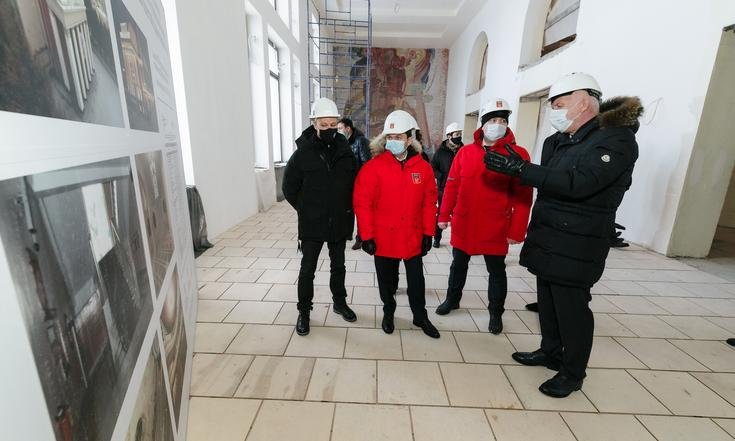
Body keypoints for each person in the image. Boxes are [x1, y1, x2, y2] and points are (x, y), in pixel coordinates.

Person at [485, 73, 643, 398]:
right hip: (550, 233)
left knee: (572, 309)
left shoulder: (615, 139)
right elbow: (552, 181)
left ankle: (572, 373)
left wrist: (521, 170)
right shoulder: (559, 139)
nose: (554, 112)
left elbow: (580, 183)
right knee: (547, 300)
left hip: (579, 239)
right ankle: (550, 351)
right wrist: (524, 171)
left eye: (559, 105)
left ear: (582, 102)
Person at [435, 99, 533, 335]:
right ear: (483, 124)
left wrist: (517, 231)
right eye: (493, 120)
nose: (498, 125)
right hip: (465, 222)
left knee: (496, 271)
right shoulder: (465, 153)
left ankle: (496, 312)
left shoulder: (517, 154)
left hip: (495, 226)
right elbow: (452, 186)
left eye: (502, 121)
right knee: (458, 265)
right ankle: (452, 300)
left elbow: (523, 197)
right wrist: (443, 214)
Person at [353, 109, 440, 338]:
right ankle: (388, 311)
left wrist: (428, 233)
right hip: (384, 237)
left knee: (416, 280)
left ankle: (420, 316)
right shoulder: (373, 168)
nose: (393, 141)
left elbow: (429, 202)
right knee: (387, 280)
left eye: (398, 137)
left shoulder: (423, 168)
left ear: (410, 139)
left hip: (412, 235)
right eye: (390, 137)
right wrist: (366, 236)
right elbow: (362, 203)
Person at [282, 97, 358, 336]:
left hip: (339, 220)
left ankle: (339, 303)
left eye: (333, 125)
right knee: (308, 269)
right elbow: (289, 188)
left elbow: (353, 184)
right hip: (312, 222)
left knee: (339, 266)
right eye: (323, 125)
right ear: (314, 123)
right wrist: (306, 209)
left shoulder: (346, 151)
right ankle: (304, 312)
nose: (328, 129)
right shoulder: (302, 154)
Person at [338, 118, 371, 250]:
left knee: (360, 212)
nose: (338, 131)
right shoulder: (342, 142)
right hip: (347, 183)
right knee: (348, 210)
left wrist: (361, 182)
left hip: (359, 183)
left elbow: (366, 164)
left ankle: (361, 238)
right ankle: (348, 235)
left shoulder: (360, 141)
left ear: (348, 128)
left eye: (340, 128)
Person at [431, 122, 464, 248]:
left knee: (460, 215)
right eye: (456, 134)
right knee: (442, 213)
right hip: (444, 188)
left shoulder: (464, 150)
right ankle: (437, 238)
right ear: (449, 136)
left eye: (460, 134)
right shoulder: (440, 152)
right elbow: (433, 167)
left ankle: (459, 240)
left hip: (461, 189)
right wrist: (441, 176)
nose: (459, 136)